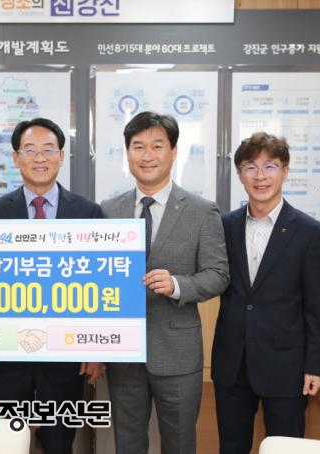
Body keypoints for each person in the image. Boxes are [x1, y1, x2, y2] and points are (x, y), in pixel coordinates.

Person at [0, 117, 105, 454]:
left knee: (59, 442)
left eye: (49, 150)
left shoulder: (89, 213)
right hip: (7, 353)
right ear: (16, 158)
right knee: (4, 441)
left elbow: (100, 284)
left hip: (67, 353)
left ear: (61, 157)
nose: (40, 158)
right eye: (30, 150)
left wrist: (96, 348)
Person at [101, 111, 230, 454]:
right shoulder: (109, 210)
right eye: (138, 146)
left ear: (173, 152)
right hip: (122, 354)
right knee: (127, 444)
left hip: (177, 354)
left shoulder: (202, 210)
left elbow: (218, 274)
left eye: (157, 146)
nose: (147, 155)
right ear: (127, 152)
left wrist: (177, 285)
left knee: (179, 444)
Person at [212, 132, 320, 454]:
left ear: (285, 171)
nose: (260, 176)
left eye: (270, 166)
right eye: (250, 167)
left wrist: (315, 366)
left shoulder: (310, 233)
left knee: (285, 447)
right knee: (231, 447)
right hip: (232, 364)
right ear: (240, 174)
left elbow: (318, 309)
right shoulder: (224, 226)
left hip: (287, 367)